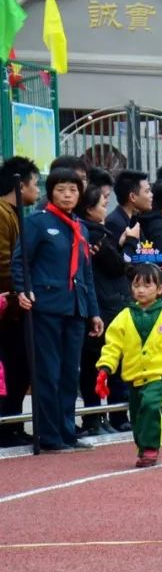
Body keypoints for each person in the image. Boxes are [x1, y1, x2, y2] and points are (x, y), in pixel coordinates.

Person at [13, 168, 104, 452]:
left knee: (69, 374)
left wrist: (93, 311)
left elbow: (86, 274)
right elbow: (20, 262)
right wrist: (23, 290)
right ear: (50, 191)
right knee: (48, 373)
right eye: (61, 189)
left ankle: (67, 431)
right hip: (47, 307)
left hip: (75, 308)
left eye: (73, 190)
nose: (67, 195)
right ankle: (49, 435)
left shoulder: (81, 226)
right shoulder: (39, 222)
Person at [95, 263, 162, 466]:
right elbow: (113, 345)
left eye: (147, 286)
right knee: (137, 414)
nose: (140, 290)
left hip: (159, 374)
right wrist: (105, 368)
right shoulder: (125, 316)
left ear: (160, 289)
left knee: (152, 406)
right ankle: (143, 447)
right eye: (136, 286)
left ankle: (151, 448)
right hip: (134, 376)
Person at [76, 184, 131, 437]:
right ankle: (100, 418)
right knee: (100, 364)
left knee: (106, 364)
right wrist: (125, 242)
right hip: (104, 305)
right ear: (88, 209)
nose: (105, 209)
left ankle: (105, 417)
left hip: (108, 303)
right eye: (101, 204)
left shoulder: (98, 232)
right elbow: (117, 266)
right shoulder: (93, 233)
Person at [0, 157, 41, 447]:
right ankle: (6, 426)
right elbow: (4, 263)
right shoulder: (2, 214)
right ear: (20, 184)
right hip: (8, 306)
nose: (37, 190)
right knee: (11, 367)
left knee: (20, 367)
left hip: (16, 304)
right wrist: (24, 287)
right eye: (35, 184)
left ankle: (13, 424)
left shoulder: (15, 213)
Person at [106, 170, 151, 250]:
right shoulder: (114, 223)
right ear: (132, 197)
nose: (151, 195)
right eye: (147, 191)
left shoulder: (133, 220)